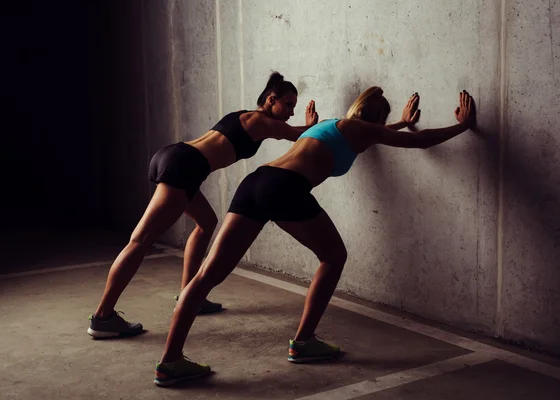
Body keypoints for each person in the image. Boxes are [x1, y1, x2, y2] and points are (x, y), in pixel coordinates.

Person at [153, 88, 476, 386]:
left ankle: (169, 362)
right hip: (286, 187)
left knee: (207, 275)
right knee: (333, 257)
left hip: (256, 182)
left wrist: (403, 122)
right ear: (376, 118)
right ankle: (304, 342)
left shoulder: (333, 126)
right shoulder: (361, 129)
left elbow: (377, 135)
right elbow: (421, 141)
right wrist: (463, 126)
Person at [87, 72, 320, 338]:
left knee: (206, 222)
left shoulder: (242, 115)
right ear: (271, 99)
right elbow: (298, 136)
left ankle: (191, 297)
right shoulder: (263, 122)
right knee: (140, 241)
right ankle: (102, 317)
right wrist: (311, 124)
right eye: (288, 104)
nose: (291, 112)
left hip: (174, 156)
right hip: (185, 165)